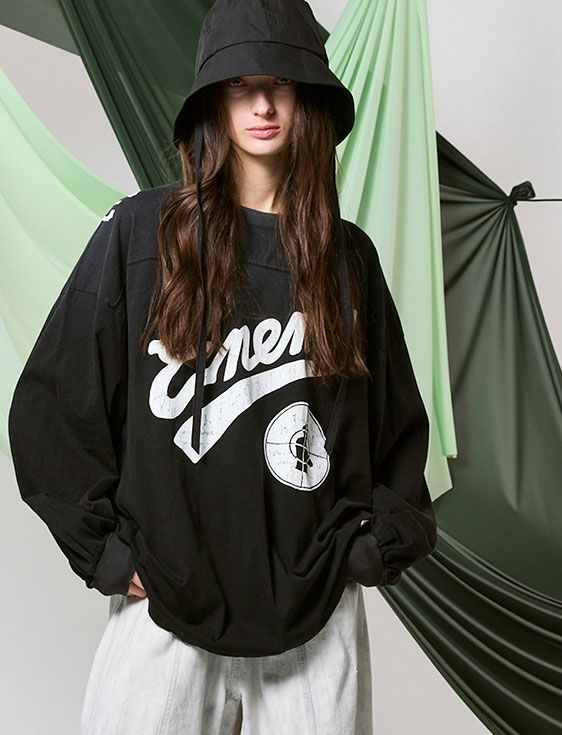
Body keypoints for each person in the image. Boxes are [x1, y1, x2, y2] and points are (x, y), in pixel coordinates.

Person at [8, 0, 437, 733]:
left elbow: (396, 429)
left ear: (309, 98)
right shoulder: (142, 233)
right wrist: (108, 556)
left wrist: (365, 551)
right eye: (241, 84)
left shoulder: (348, 259)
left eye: (281, 82)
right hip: (165, 617)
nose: (263, 104)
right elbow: (53, 404)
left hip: (315, 620)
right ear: (213, 100)